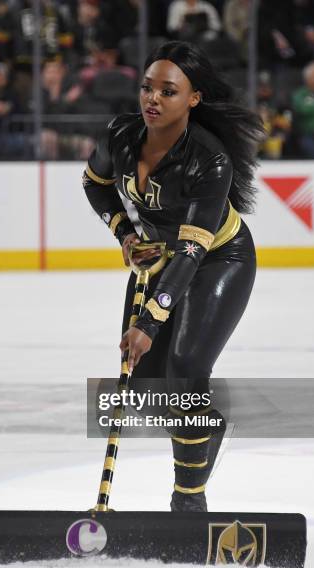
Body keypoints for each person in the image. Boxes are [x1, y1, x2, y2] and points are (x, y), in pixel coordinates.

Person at [83, 41, 264, 512]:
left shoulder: (211, 160)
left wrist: (148, 322)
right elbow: (94, 185)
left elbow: (191, 248)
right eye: (147, 88)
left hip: (218, 259)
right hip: (160, 256)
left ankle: (189, 498)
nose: (153, 99)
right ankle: (208, 426)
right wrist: (124, 233)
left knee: (183, 372)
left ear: (193, 99)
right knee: (146, 383)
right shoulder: (119, 136)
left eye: (168, 91)